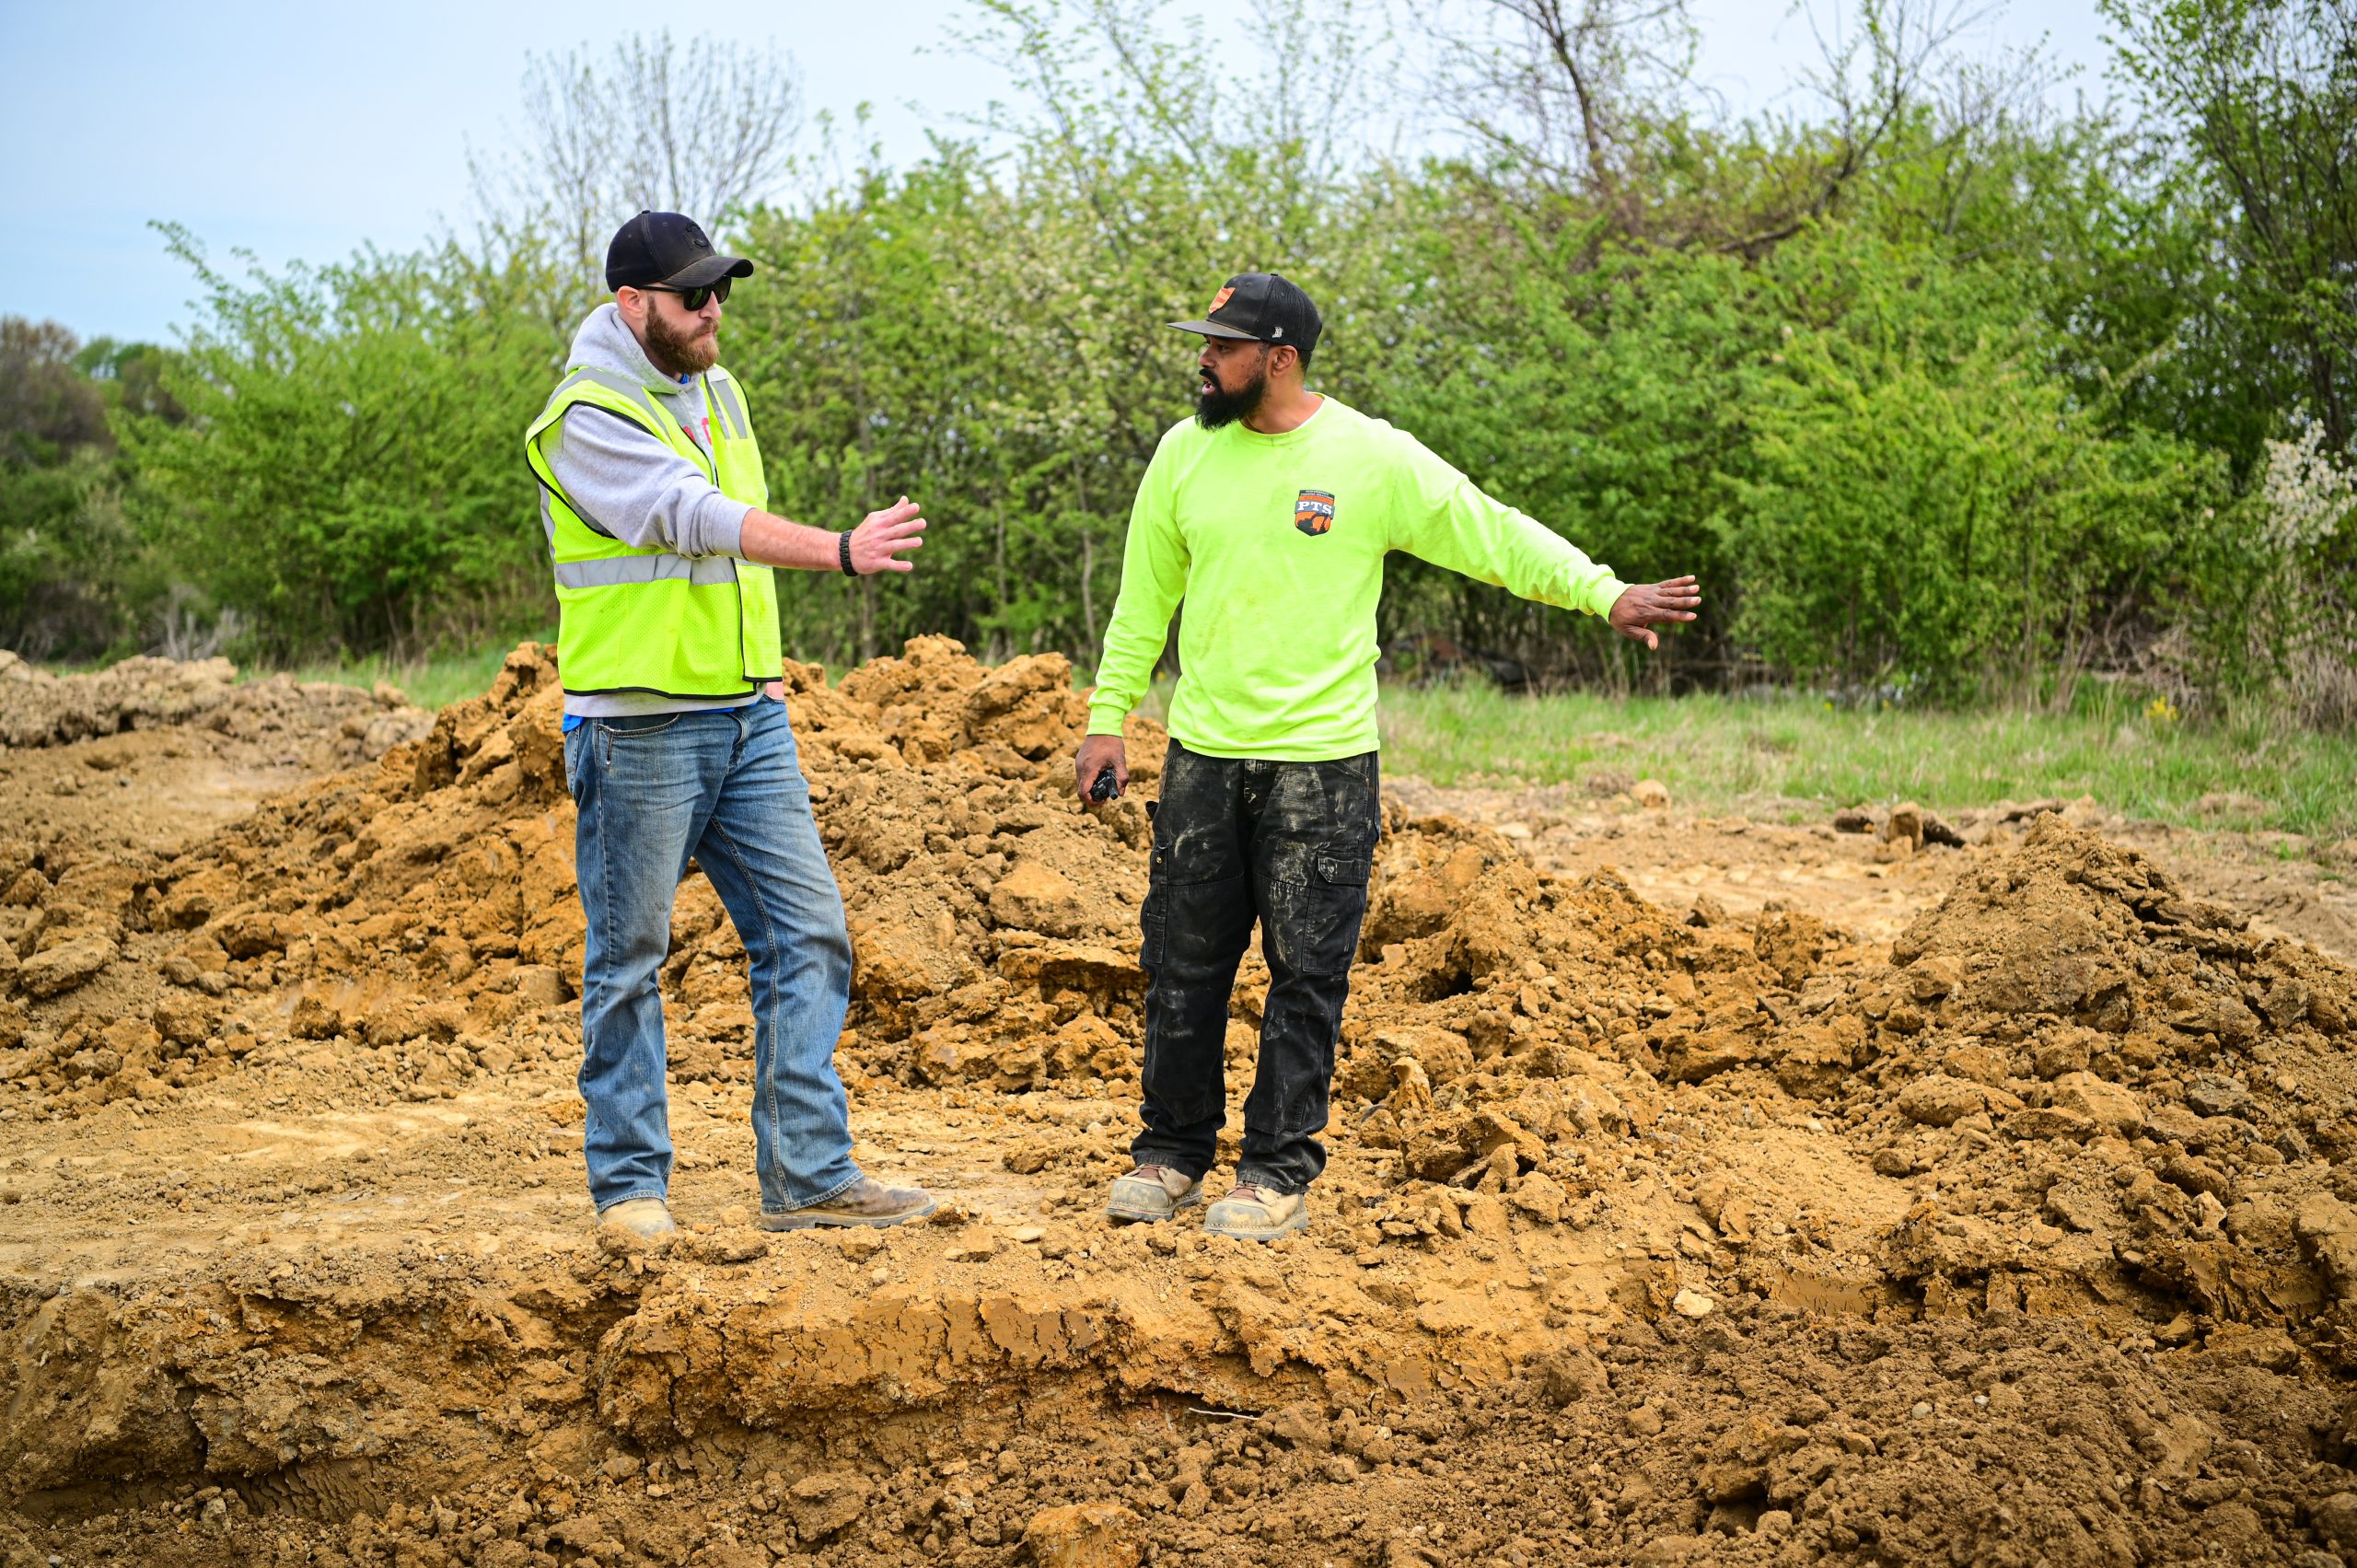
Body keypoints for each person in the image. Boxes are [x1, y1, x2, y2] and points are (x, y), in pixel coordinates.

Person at [1075, 272, 1701, 1241]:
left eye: (1222, 346)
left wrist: (1600, 590)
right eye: (1205, 342)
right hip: (1204, 756)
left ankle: (1274, 1173)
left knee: (1305, 975)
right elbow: (1142, 599)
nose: (1203, 359)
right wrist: (1107, 715)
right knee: (1182, 964)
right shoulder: (1183, 453)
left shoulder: (1368, 456)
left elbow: (1488, 530)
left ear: (1278, 359)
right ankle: (1169, 1153)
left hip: (1322, 768)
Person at [525, 210, 937, 1243]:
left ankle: (808, 1174)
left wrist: (766, 677)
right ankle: (630, 1187)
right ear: (632, 303)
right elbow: (695, 518)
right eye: (692, 296)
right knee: (630, 957)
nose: (713, 311)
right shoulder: (585, 415)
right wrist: (838, 549)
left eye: (720, 291)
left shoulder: (717, 388)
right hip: (640, 725)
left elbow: (731, 561)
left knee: (808, 933)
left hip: (748, 714)